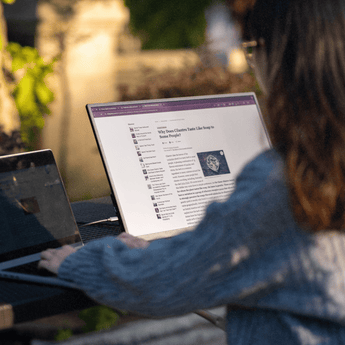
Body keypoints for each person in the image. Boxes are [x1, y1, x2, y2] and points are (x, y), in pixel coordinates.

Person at [39, 0, 345, 343]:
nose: (251, 64)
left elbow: (165, 285)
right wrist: (187, 253)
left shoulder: (287, 181)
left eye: (252, 49)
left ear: (281, 55)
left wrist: (79, 262)